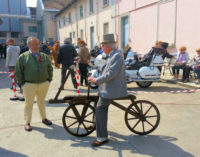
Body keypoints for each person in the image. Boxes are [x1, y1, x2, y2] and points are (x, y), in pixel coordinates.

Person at [88, 34, 127, 147]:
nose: (101, 48)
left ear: (108, 45)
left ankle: (102, 137)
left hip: (112, 89)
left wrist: (96, 80)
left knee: (100, 108)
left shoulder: (117, 56)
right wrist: (88, 62)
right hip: (107, 88)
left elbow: (111, 74)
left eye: (102, 45)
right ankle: (95, 124)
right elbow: (103, 65)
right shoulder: (111, 55)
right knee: (97, 103)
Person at [15, 37, 53, 132]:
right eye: (34, 44)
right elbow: (18, 72)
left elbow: (50, 68)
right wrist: (22, 84)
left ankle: (44, 118)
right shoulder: (23, 57)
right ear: (29, 46)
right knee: (28, 104)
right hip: (29, 84)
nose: (36, 46)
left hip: (44, 83)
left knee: (41, 102)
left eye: (37, 44)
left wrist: (49, 79)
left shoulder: (44, 56)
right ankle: (27, 122)